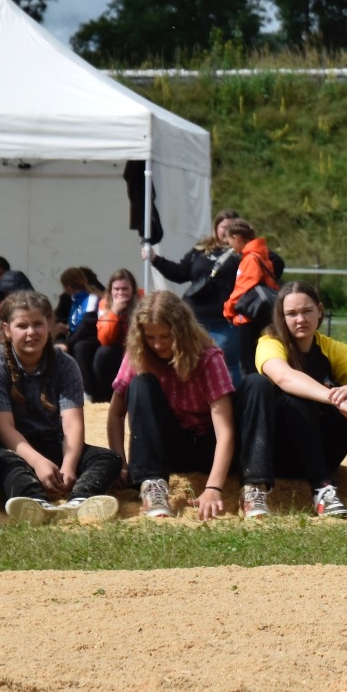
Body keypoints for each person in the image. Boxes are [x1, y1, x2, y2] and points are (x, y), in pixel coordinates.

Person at [236, 282, 347, 519]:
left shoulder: (328, 346)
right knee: (294, 397)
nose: (301, 319)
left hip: (322, 449)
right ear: (281, 316)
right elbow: (284, 377)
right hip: (282, 450)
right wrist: (335, 399)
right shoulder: (270, 342)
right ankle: (321, 488)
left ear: (319, 311)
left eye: (307, 311)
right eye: (292, 313)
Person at [0, 290, 121, 525]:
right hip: (7, 447)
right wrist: (38, 463)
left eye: (38, 324)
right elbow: (4, 430)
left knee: (108, 459)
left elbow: (72, 424)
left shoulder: (66, 364)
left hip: (50, 442)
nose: (31, 332)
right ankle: (35, 503)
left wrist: (69, 465)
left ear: (50, 325)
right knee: (8, 464)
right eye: (22, 325)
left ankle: (79, 501)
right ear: (6, 329)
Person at [105, 290, 235, 520]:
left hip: (206, 446)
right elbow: (115, 414)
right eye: (151, 337)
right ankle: (152, 484)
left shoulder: (208, 358)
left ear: (181, 331)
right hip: (168, 446)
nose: (158, 344)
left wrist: (213, 488)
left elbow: (225, 431)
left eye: (166, 336)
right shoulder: (138, 354)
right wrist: (120, 463)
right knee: (141, 383)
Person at [144, 209, 244, 382]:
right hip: (194, 317)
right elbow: (179, 273)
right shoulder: (201, 249)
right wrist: (155, 259)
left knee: (227, 362)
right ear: (216, 228)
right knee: (190, 360)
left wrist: (247, 241)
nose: (227, 231)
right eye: (224, 226)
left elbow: (274, 263)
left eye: (233, 227)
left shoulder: (243, 254)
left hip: (225, 319)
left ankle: (233, 403)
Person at [221, 220, 280, 376]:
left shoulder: (250, 259)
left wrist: (228, 309)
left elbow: (243, 287)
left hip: (249, 317)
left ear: (237, 238)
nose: (229, 244)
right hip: (260, 315)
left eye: (230, 240)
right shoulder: (260, 255)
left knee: (249, 366)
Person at [85, 268, 140, 402]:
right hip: (113, 345)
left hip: (135, 346)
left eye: (124, 289)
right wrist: (114, 312)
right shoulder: (104, 303)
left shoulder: (142, 301)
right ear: (111, 290)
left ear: (132, 289)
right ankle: (100, 398)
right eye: (116, 289)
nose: (120, 293)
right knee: (100, 352)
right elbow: (105, 339)